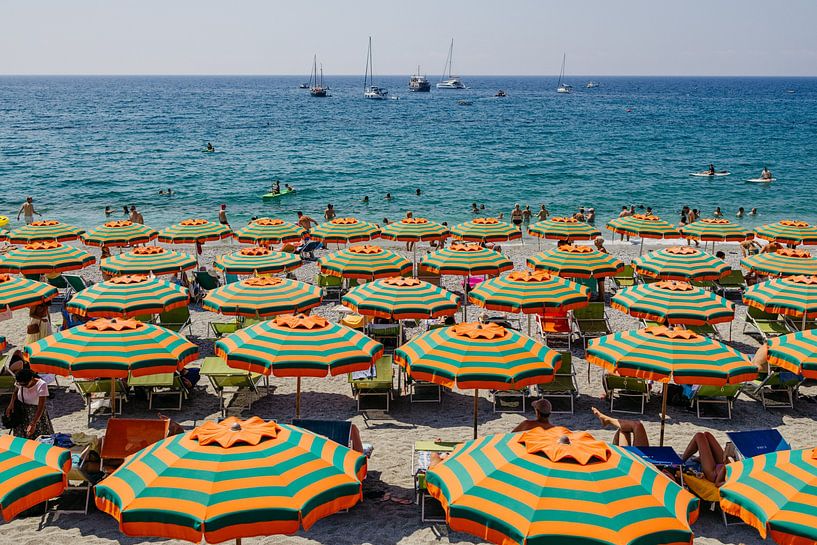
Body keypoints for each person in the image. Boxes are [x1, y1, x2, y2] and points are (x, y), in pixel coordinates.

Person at [6, 369, 53, 438]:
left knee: (38, 436)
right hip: (21, 411)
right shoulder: (20, 381)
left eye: (25, 384)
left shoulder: (41, 385)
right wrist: (11, 404)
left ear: (32, 378)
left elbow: (41, 406)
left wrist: (33, 423)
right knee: (21, 436)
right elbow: (15, 392)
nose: (24, 386)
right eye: (21, 384)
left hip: (35, 413)